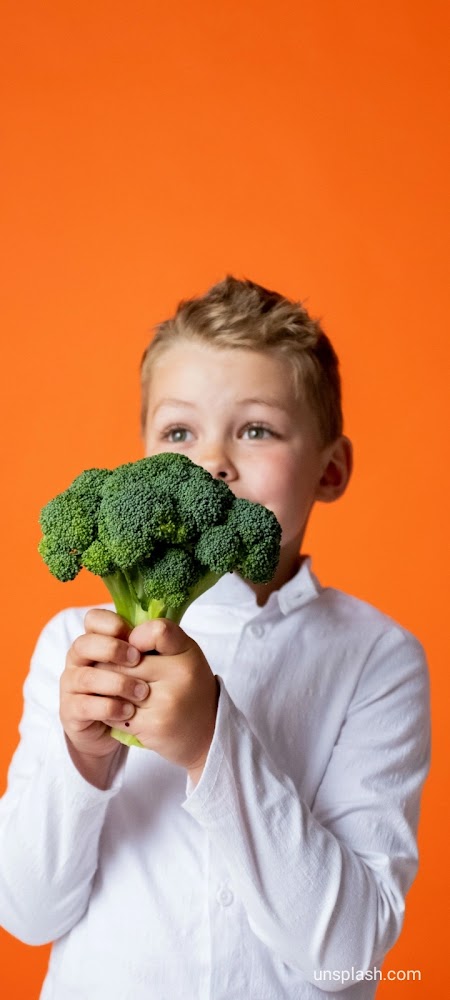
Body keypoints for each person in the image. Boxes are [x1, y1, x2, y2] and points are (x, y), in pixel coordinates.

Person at [0, 276, 430, 998]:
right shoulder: (80, 647)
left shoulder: (378, 658)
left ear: (332, 468)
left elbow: (347, 953)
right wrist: (82, 758)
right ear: (143, 451)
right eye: (178, 433)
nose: (213, 462)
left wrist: (210, 743)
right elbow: (26, 912)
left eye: (256, 429)